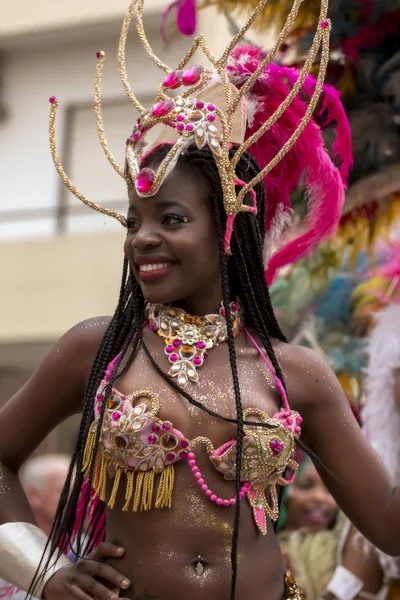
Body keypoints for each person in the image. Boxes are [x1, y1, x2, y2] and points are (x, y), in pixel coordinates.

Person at [0, 2, 399, 600]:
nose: (142, 239)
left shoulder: (295, 374)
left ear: (230, 228)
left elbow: (389, 523)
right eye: (134, 221)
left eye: (172, 218)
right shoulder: (100, 347)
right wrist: (44, 569)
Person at [0, 454, 70, 599]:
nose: (72, 500)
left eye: (76, 493)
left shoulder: (83, 547)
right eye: (62, 491)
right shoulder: (6, 548)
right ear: (34, 495)